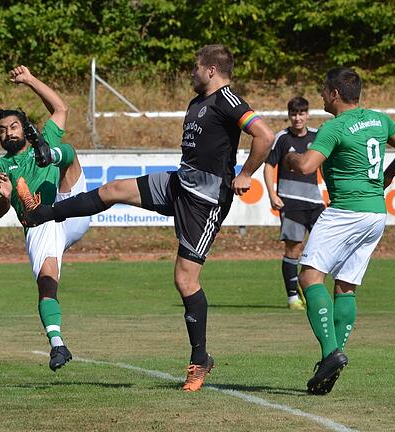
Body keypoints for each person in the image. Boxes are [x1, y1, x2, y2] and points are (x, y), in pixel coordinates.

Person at [22, 45, 274, 391]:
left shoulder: (227, 100)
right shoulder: (197, 102)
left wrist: (246, 172)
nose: (190, 72)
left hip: (205, 202)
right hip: (179, 183)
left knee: (185, 281)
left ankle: (200, 360)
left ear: (212, 70)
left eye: (195, 67)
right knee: (113, 190)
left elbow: (265, 135)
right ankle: (43, 214)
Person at [284, 67, 395, 395]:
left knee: (308, 277)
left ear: (335, 94)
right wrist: (387, 177)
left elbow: (306, 166)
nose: (321, 95)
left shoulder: (334, 127)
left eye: (323, 90)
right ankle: (330, 363)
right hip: (376, 213)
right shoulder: (380, 120)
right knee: (345, 286)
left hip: (346, 210)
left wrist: (289, 156)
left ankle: (330, 354)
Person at [0, 65, 90, 372]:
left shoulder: (42, 139)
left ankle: (53, 158)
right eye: (3, 130)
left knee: (66, 152)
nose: (9, 132)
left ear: (24, 128)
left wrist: (29, 79)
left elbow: (60, 108)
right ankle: (59, 346)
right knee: (47, 284)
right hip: (40, 224)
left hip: (67, 206)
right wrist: (5, 199)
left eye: (14, 126)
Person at [262, 96, 324, 310]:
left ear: (307, 115)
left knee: (324, 247)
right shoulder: (282, 138)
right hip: (291, 203)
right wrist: (272, 194)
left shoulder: (318, 136)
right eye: (294, 114)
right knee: (294, 249)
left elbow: (325, 165)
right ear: (289, 116)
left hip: (316, 203)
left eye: (301, 114)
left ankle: (311, 288)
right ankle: (292, 298)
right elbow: (269, 166)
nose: (297, 118)